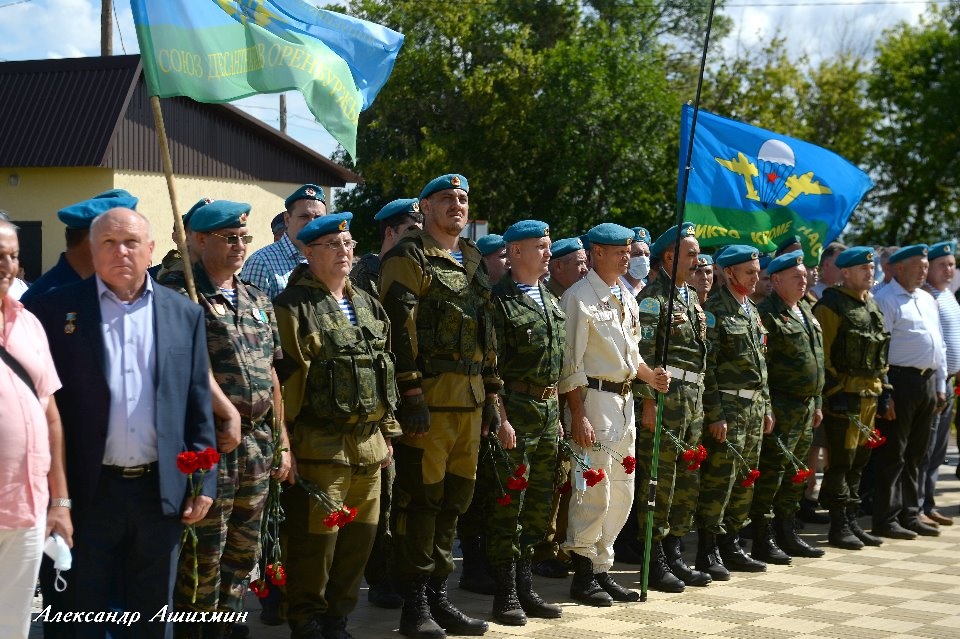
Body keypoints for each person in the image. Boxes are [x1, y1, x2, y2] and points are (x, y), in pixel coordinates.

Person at [28, 208, 217, 639]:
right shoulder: (53, 311)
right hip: (84, 494)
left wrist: (203, 482)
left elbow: (196, 406)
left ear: (151, 250)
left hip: (158, 495)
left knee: (152, 620)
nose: (121, 252)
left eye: (131, 242)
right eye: (109, 243)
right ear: (92, 252)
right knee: (77, 617)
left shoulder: (183, 314)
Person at [162, 201, 290, 639]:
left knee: (241, 557)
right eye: (228, 238)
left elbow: (273, 375)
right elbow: (182, 362)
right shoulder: (181, 293)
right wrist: (225, 410)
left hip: (257, 446)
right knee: (203, 560)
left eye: (243, 238)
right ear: (199, 241)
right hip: (211, 446)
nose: (239, 245)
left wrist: (283, 442)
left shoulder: (256, 297)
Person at [379, 174, 499, 638]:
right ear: (425, 207)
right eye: (447, 198)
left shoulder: (470, 258)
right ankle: (415, 605)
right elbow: (398, 328)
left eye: (463, 198)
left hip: (468, 404)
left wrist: (491, 395)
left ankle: (439, 597)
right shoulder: (410, 256)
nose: (457, 205)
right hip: (430, 401)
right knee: (420, 504)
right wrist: (410, 396)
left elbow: (485, 333)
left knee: (454, 502)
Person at [273, 212, 401, 639]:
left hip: (368, 445)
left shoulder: (366, 302)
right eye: (332, 245)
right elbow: (288, 382)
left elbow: (384, 372)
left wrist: (387, 432)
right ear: (307, 252)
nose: (344, 252)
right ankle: (305, 619)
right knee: (316, 543)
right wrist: (284, 446)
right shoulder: (293, 307)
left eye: (347, 244)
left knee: (359, 541)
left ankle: (337, 619)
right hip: (320, 445)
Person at [559, 222, 670, 607]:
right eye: (619, 250)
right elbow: (570, 363)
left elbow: (632, 354)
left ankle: (602, 567)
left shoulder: (625, 296)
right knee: (593, 487)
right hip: (594, 400)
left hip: (624, 402)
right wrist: (577, 414)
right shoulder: (578, 298)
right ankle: (584, 573)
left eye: (629, 249)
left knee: (622, 488)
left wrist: (649, 376)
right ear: (597, 253)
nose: (628, 256)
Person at [466, 219, 565, 626]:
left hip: (547, 412)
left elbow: (557, 364)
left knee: (540, 505)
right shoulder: (498, 301)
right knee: (509, 504)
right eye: (540, 247)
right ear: (516, 252)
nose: (547, 253)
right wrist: (501, 419)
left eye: (548, 246)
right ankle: (505, 594)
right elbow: (491, 369)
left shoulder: (549, 298)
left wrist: (557, 415)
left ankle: (525, 588)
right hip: (515, 414)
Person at [350, 197, 423, 610]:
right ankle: (379, 577)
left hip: (411, 396)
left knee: (407, 492)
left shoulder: (418, 266)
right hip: (379, 400)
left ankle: (398, 571)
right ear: (391, 233)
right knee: (385, 493)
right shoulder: (366, 275)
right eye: (411, 231)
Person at [0, 220, 72, 639]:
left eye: (13, 256)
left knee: (13, 627)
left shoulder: (28, 322)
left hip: (26, 509)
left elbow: (50, 414)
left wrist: (59, 500)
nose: (7, 266)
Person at [631, 222, 711, 592]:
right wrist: (648, 404)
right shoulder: (654, 298)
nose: (696, 260)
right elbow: (643, 355)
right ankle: (656, 557)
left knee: (687, 480)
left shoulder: (691, 298)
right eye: (690, 253)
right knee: (659, 480)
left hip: (691, 401)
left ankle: (675, 551)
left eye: (697, 254)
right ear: (668, 256)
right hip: (665, 398)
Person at [696, 245, 773, 578]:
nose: (756, 278)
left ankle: (732, 543)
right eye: (750, 272)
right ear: (729, 273)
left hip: (753, 407)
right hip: (729, 407)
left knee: (746, 478)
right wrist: (716, 414)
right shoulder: (715, 311)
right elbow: (707, 369)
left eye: (757, 272)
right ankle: (708, 549)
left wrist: (766, 404)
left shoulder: (751, 310)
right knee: (720, 479)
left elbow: (761, 364)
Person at [752, 251, 826, 563]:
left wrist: (818, 401)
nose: (803, 280)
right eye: (796, 277)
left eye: (804, 276)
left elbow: (817, 359)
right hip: (782, 407)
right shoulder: (766, 313)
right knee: (773, 473)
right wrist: (768, 407)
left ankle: (788, 531)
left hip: (806, 407)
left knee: (797, 473)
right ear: (776, 280)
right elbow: (762, 368)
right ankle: (762, 537)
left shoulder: (806, 310)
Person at [813, 246, 889, 549]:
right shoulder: (831, 306)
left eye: (871, 269)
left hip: (870, 394)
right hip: (845, 397)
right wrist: (834, 394)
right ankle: (838, 524)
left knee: (860, 461)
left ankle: (851, 518)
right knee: (841, 462)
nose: (869, 273)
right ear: (845, 273)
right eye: (863, 269)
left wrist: (886, 389)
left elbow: (881, 352)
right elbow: (824, 355)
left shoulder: (871, 304)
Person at [872, 244, 947, 539]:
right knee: (894, 453)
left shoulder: (928, 299)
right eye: (919, 266)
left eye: (926, 266)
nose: (924, 271)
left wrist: (940, 386)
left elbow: (938, 345)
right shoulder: (886, 299)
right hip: (899, 382)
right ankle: (885, 518)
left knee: (917, 453)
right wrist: (885, 394)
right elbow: (880, 352)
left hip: (927, 382)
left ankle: (910, 513)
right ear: (899, 268)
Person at [530, 236, 588, 579]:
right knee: (550, 480)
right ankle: (542, 547)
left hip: (566, 400)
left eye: (586, 262)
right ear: (557, 267)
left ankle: (560, 544)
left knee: (566, 478)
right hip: (544, 404)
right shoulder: (550, 300)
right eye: (577, 263)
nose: (584, 269)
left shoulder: (571, 300)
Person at [21, 189, 139, 304]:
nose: (124, 251)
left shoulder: (113, 290)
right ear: (92, 243)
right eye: (113, 241)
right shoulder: (42, 300)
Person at [918, 241, 958, 527]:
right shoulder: (924, 296)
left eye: (952, 264)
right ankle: (916, 505)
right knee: (924, 448)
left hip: (949, 382)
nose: (949, 270)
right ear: (928, 267)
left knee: (939, 450)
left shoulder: (948, 296)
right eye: (943, 264)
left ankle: (928, 503)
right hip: (931, 382)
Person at [240, 184, 326, 300]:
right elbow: (251, 315)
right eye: (304, 216)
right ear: (287, 219)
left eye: (318, 218)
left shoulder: (328, 259)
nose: (312, 223)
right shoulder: (261, 263)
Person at [620, 227, 651, 297]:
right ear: (625, 256)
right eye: (637, 254)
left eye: (646, 254)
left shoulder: (650, 290)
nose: (643, 258)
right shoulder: (616, 289)